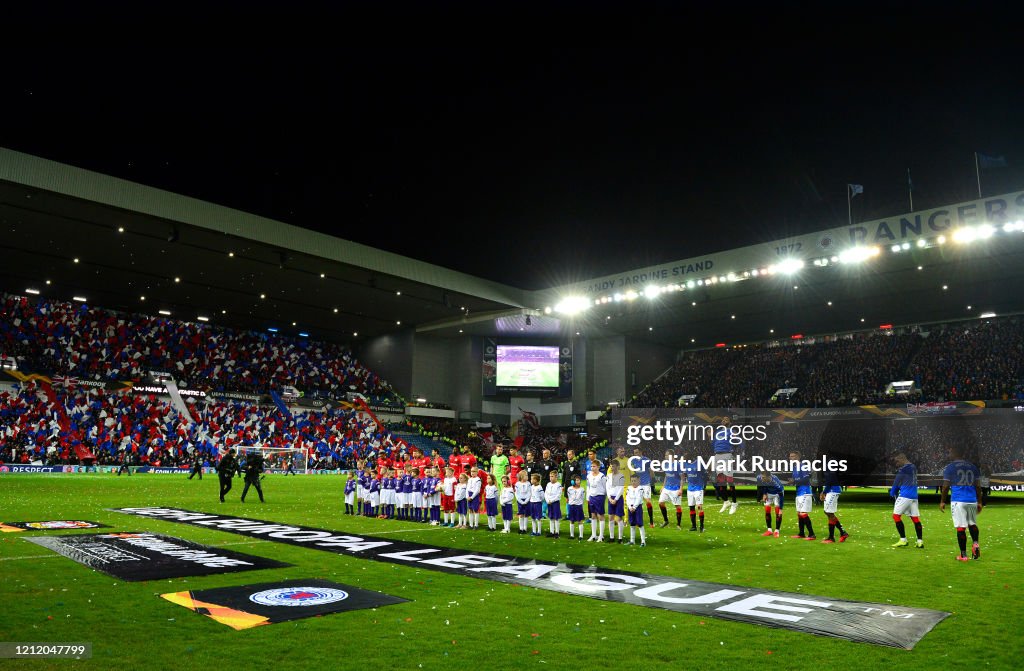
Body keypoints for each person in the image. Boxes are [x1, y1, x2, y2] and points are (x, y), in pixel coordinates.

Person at [940, 445, 982, 561]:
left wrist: (943, 501)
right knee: (972, 524)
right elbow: (978, 486)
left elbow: (945, 487)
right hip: (972, 500)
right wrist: (979, 502)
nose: (949, 454)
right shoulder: (973, 467)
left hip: (958, 500)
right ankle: (975, 544)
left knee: (960, 528)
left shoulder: (950, 468)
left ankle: (963, 555)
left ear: (954, 453)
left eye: (950, 452)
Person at [890, 451, 923, 548]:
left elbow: (896, 483)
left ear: (902, 459)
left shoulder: (903, 469)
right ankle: (920, 541)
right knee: (915, 518)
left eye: (897, 461)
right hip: (914, 497)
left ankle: (903, 539)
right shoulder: (913, 467)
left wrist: (892, 492)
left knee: (896, 516)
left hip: (905, 496)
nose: (897, 464)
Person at [713, 418, 741, 514]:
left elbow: (737, 442)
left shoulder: (731, 431)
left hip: (726, 455)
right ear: (721, 422)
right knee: (720, 481)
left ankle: (734, 502)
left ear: (730, 422)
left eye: (726, 419)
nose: (724, 420)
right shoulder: (718, 432)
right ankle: (726, 501)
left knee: (729, 481)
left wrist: (733, 449)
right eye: (723, 420)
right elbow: (714, 444)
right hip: (717, 455)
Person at [790, 451, 816, 540]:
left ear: (797, 457)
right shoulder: (794, 467)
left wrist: (794, 481)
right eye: (790, 456)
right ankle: (801, 533)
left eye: (793, 456)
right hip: (799, 492)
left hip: (805, 492)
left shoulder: (803, 466)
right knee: (799, 513)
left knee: (803, 513)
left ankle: (812, 534)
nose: (791, 458)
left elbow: (806, 478)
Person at [819, 469, 848, 543]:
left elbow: (830, 480)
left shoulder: (829, 467)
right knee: (828, 512)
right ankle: (841, 533)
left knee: (829, 512)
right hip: (831, 491)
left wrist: (824, 492)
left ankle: (833, 537)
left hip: (832, 491)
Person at [658, 450, 683, 529]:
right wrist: (663, 486)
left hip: (675, 488)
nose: (665, 457)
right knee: (661, 503)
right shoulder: (666, 464)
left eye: (667, 455)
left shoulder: (677, 464)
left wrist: (681, 489)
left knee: (677, 506)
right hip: (667, 488)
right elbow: (666, 475)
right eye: (665, 455)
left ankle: (678, 525)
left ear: (672, 456)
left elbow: (682, 477)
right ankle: (666, 520)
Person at [631, 447, 656, 527]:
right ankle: (639, 521)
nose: (636, 454)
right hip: (637, 485)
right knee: (638, 503)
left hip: (646, 484)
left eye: (637, 452)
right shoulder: (633, 461)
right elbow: (633, 472)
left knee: (648, 501)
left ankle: (651, 522)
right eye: (635, 453)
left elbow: (651, 471)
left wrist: (652, 482)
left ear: (641, 452)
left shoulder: (647, 460)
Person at [683, 450, 707, 532]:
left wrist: (704, 486)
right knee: (691, 508)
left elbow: (705, 474)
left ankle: (702, 527)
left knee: (699, 507)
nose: (684, 458)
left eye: (685, 457)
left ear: (690, 457)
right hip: (690, 489)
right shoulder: (685, 464)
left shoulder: (698, 463)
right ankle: (694, 526)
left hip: (698, 488)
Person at [756, 470, 784, 537]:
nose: (762, 479)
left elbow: (781, 496)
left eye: (764, 478)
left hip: (777, 494)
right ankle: (769, 530)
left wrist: (781, 509)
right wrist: (764, 494)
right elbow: (764, 485)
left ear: (769, 477)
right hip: (769, 493)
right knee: (767, 509)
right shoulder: (760, 478)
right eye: (762, 477)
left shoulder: (776, 483)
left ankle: (777, 531)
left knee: (778, 510)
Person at [586, 460, 607, 542]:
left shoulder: (602, 476)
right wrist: (588, 497)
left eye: (594, 466)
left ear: (598, 467)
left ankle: (601, 536)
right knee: (593, 516)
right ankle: (593, 535)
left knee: (600, 516)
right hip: (592, 497)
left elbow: (605, 488)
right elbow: (588, 486)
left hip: (599, 497)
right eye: (591, 466)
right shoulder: (589, 476)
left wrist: (604, 497)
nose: (592, 468)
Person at [606, 459, 626, 543]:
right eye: (611, 466)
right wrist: (610, 498)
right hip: (611, 498)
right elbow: (607, 487)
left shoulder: (621, 476)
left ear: (618, 467)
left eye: (613, 466)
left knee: (618, 518)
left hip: (618, 498)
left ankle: (620, 538)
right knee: (610, 518)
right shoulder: (609, 476)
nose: (612, 468)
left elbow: (621, 489)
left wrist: (616, 499)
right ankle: (611, 537)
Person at [626, 473, 647, 546]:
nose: (633, 482)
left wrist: (634, 507)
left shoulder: (640, 489)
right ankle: (632, 540)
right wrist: (629, 506)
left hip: (637, 508)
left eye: (635, 481)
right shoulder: (629, 488)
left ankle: (643, 541)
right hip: (630, 507)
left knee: (640, 523)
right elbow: (627, 498)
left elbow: (639, 498)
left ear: (639, 481)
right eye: (632, 481)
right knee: (632, 523)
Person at [544, 470, 563, 538]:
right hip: (549, 502)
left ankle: (557, 532)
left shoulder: (558, 485)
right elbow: (545, 493)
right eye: (550, 476)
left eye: (552, 476)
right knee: (551, 517)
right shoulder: (548, 484)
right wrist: (547, 500)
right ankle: (552, 532)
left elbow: (558, 495)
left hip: (555, 503)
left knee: (556, 518)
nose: (550, 478)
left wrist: (552, 500)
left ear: (556, 477)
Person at [566, 476, 586, 541]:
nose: (578, 481)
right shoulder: (569, 489)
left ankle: (581, 535)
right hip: (571, 506)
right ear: (573, 481)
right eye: (576, 480)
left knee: (580, 521)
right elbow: (569, 497)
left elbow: (583, 498)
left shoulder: (582, 489)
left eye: (579, 480)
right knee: (571, 520)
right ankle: (572, 535)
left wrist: (580, 504)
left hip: (578, 506)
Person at [538, 448, 555, 518]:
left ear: (548, 454)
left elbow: (555, 472)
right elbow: (539, 473)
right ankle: (543, 512)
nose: (544, 455)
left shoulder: (552, 462)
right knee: (543, 497)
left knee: (551, 497)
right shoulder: (540, 463)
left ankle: (551, 511)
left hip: (550, 482)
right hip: (543, 482)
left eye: (545, 453)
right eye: (543, 453)